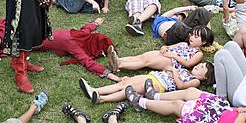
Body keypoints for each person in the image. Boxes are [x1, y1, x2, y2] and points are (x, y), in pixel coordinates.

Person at [79, 59, 214, 104]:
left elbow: (182, 85)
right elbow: (167, 68)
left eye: (202, 68)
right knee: (123, 84)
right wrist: (171, 70)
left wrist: (173, 72)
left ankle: (102, 99)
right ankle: (95, 90)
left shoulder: (195, 81)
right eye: (200, 64)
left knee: (127, 90)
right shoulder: (184, 71)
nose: (198, 66)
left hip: (159, 85)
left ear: (205, 77)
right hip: (153, 76)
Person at [37, 18, 120, 82]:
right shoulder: (74, 45)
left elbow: (87, 29)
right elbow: (88, 63)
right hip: (35, 42)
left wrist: (95, 23)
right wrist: (112, 76)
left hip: (40, 32)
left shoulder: (82, 35)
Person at [107, 26, 212, 74]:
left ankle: (119, 65)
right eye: (192, 35)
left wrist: (173, 55)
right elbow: (169, 47)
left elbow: (188, 64)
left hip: (171, 62)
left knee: (146, 62)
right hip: (165, 54)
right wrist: (164, 48)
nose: (192, 38)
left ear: (204, 42)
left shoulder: (198, 53)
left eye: (196, 37)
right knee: (141, 56)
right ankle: (118, 59)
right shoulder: (184, 44)